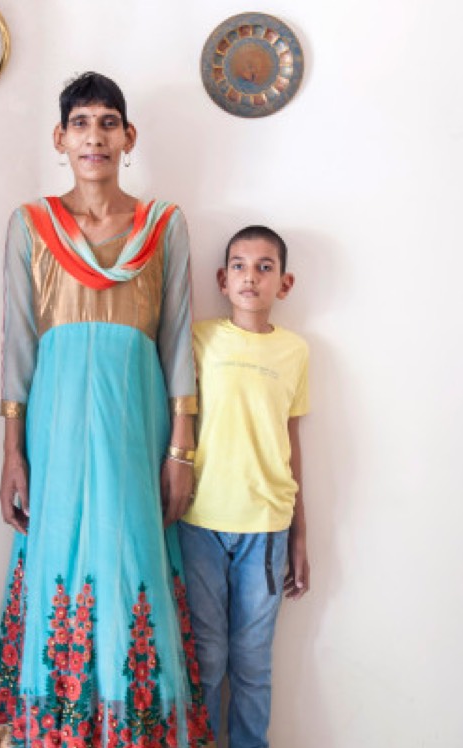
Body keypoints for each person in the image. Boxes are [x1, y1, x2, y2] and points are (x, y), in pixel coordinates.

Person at [0, 72, 213, 748]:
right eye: (81, 123)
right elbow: (19, 345)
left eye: (108, 122)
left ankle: (136, 731)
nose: (95, 137)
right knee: (57, 556)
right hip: (54, 431)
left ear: (129, 137)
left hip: (136, 424)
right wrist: (11, 452)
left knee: (132, 557)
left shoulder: (163, 225)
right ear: (60, 138)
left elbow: (177, 340)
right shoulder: (31, 224)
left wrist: (181, 451)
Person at [178, 226, 310, 748]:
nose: (250, 277)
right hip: (200, 523)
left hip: (267, 528)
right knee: (206, 660)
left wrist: (300, 534)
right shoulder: (199, 340)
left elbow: (291, 442)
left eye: (264, 267)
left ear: (285, 283)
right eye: (239, 265)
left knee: (252, 666)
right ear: (222, 279)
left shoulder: (295, 352)